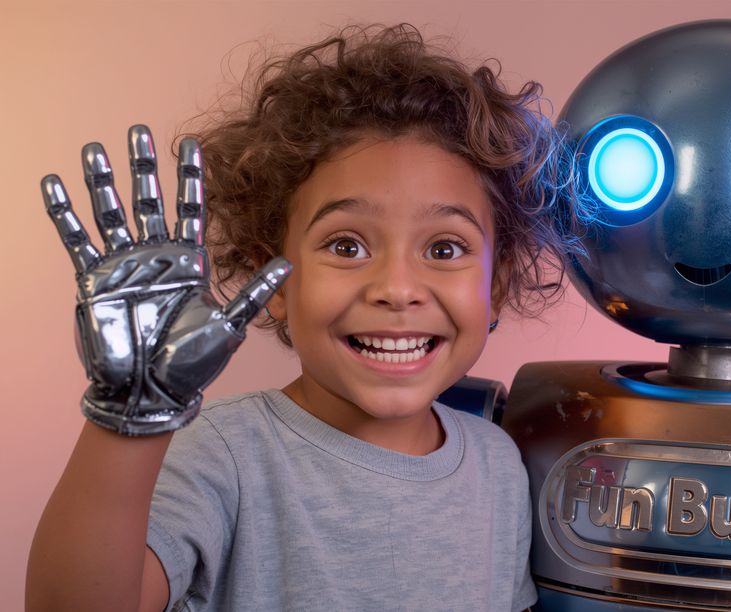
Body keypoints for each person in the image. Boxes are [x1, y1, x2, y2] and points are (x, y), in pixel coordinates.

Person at [26, 24, 590, 611]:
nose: (397, 289)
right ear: (271, 281)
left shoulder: (499, 465)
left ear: (494, 288)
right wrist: (127, 420)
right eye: (346, 246)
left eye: (444, 249)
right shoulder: (221, 453)